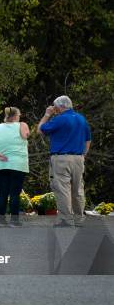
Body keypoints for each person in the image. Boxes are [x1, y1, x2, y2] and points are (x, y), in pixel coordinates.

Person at [38, 95, 91, 226]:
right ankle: (79, 219)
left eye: (55, 106)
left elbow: (40, 130)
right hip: (78, 158)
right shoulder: (81, 119)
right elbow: (88, 139)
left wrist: (47, 114)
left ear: (60, 106)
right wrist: (83, 155)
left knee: (62, 189)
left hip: (61, 158)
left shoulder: (59, 119)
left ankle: (66, 219)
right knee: (78, 189)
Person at [0, 107, 30, 226]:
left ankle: (1, 220)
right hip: (17, 163)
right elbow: (26, 135)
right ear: (16, 116)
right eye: (19, 115)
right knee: (15, 193)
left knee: (2, 192)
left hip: (0, 164)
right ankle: (14, 221)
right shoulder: (22, 124)